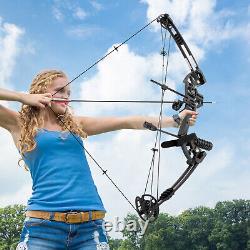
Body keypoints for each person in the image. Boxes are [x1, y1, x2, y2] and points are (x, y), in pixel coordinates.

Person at [0, 69, 198, 249]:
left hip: (90, 227)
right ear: (41, 91)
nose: (66, 97)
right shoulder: (19, 124)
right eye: (60, 91)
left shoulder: (76, 125)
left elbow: (127, 121)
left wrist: (174, 121)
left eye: (69, 93)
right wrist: (22, 97)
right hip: (42, 227)